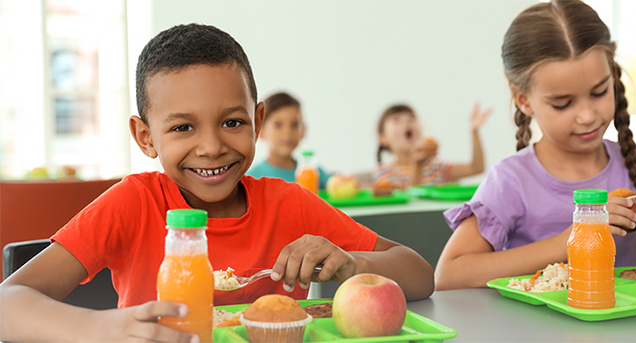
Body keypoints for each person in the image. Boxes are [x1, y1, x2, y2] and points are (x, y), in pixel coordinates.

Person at [0, 24, 434, 342]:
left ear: (257, 121)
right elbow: (8, 303)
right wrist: (100, 326)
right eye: (183, 128)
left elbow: (419, 275)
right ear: (146, 138)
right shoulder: (134, 203)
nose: (211, 147)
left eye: (231, 122)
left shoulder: (290, 205)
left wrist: (352, 264)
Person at [434, 0, 636, 291]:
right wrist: (571, 240)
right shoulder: (511, 182)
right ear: (524, 100)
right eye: (563, 104)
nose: (587, 116)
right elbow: (448, 276)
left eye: (599, 92)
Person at [371, 103, 491, 189]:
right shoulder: (383, 173)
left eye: (411, 118)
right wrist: (416, 165)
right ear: (382, 138)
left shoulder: (437, 169)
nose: (406, 122)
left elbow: (476, 168)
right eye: (396, 120)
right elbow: (408, 204)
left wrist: (474, 131)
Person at [247, 92, 331, 189]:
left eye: (294, 125)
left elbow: (337, 183)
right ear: (260, 130)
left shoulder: (313, 173)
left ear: (303, 130)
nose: (287, 132)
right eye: (278, 125)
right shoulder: (251, 179)